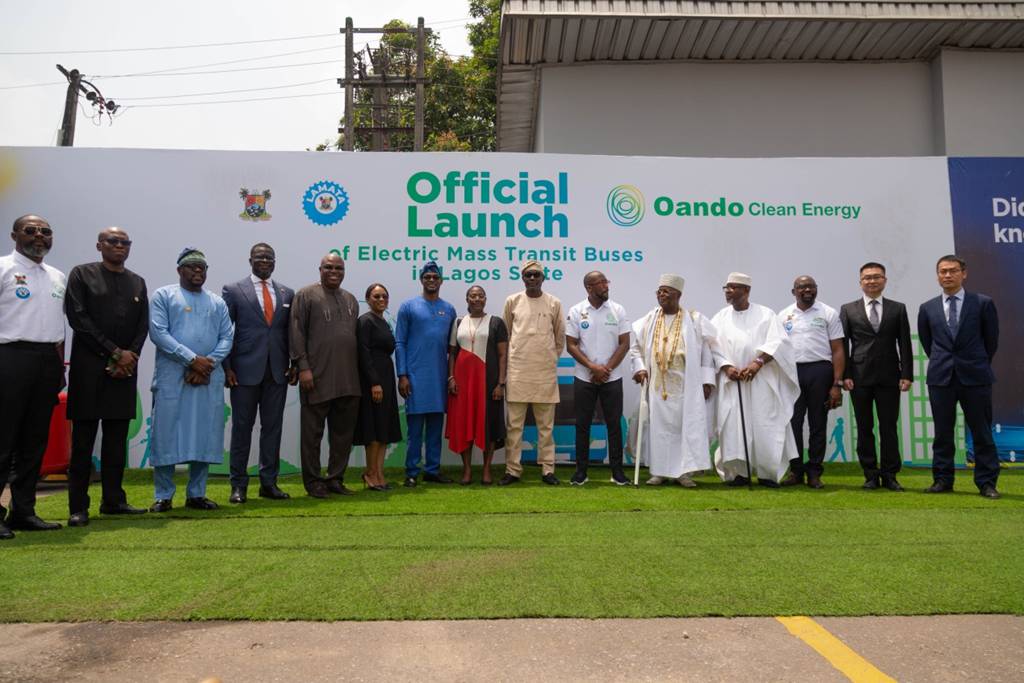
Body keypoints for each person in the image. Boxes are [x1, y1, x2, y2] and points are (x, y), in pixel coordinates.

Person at [64, 227, 149, 527]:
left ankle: (113, 500)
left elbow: (142, 327)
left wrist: (130, 356)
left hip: (123, 372)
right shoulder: (81, 275)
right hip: (89, 371)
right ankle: (78, 507)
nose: (119, 246)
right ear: (99, 245)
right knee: (84, 442)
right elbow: (78, 319)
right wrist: (114, 352)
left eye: (125, 242)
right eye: (113, 241)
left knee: (116, 442)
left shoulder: (137, 282)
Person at [148, 248, 234, 512]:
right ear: (179, 270)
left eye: (202, 268)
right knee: (166, 433)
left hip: (207, 377)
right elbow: (158, 333)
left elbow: (227, 337)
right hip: (173, 376)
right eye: (192, 267)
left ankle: (196, 494)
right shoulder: (164, 295)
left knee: (204, 434)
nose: (198, 271)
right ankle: (164, 494)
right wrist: (191, 359)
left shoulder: (217, 302)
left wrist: (206, 364)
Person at [0, 215, 66, 538]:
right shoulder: (2, 268)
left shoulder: (57, 276)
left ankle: (23, 511)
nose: (39, 236)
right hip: (9, 357)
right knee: (3, 439)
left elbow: (59, 329)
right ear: (14, 235)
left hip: (46, 361)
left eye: (45, 232)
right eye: (31, 231)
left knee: (33, 442)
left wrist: (59, 368)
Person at [918, 255, 1000, 499]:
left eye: (953, 271)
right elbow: (928, 343)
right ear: (937, 276)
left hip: (975, 377)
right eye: (942, 271)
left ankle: (986, 483)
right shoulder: (928, 307)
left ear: (964, 273)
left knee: (982, 432)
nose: (947, 275)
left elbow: (991, 341)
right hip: (941, 378)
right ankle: (943, 480)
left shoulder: (983, 303)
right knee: (943, 432)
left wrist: (975, 363)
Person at [222, 243, 295, 504]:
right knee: (242, 428)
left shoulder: (287, 293)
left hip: (277, 372)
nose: (265, 261)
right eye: (260, 257)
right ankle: (238, 485)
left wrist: (294, 364)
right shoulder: (233, 290)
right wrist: (227, 367)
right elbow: (224, 331)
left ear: (275, 262)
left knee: (272, 429)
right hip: (243, 372)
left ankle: (269, 483)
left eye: (269, 257)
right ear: (250, 259)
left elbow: (290, 333)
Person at [711, 272, 799, 487]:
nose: (728, 291)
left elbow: (778, 343)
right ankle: (738, 474)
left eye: (733, 287)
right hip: (732, 382)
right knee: (733, 426)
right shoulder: (720, 317)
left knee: (765, 424)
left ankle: (767, 474)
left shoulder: (766, 314)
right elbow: (712, 347)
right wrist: (726, 366)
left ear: (746, 290)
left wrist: (757, 362)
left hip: (760, 381)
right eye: (726, 287)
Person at [629, 274, 717, 487]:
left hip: (686, 385)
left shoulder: (694, 319)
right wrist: (640, 369)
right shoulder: (649, 319)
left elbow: (707, 351)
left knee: (684, 428)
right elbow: (636, 349)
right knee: (658, 429)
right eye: (659, 291)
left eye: (666, 291)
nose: (661, 295)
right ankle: (659, 472)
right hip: (658, 386)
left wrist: (706, 381)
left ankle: (683, 473)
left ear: (678, 295)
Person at [290, 253, 361, 498]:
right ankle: (313, 482)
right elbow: (297, 332)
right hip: (316, 377)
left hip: (349, 379)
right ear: (320, 269)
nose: (334, 271)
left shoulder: (351, 299)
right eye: (329, 267)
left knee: (342, 435)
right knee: (312, 436)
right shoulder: (306, 295)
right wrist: (303, 368)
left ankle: (335, 479)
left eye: (339, 268)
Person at [839, 262, 913, 491]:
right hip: (859, 378)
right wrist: (845, 375)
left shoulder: (898, 308)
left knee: (889, 427)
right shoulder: (848, 309)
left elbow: (905, 343)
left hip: (890, 377)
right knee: (864, 427)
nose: (872, 281)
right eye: (867, 278)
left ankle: (890, 475)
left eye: (876, 277)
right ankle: (870, 474)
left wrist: (907, 374)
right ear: (860, 282)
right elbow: (843, 344)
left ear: (885, 280)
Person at [499, 260, 566, 486]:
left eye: (537, 275)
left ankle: (548, 470)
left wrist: (549, 359)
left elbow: (559, 339)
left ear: (543, 278)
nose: (533, 279)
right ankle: (513, 470)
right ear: (523, 277)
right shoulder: (512, 301)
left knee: (546, 428)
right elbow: (505, 338)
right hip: (518, 372)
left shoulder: (554, 303)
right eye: (528, 275)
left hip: (544, 374)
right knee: (514, 426)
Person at [777, 275, 845, 489]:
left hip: (820, 371)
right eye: (802, 287)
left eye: (811, 286)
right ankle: (796, 471)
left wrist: (837, 384)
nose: (807, 290)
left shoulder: (828, 313)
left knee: (818, 424)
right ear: (793, 291)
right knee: (793, 423)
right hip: (793, 372)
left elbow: (838, 350)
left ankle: (814, 472)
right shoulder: (783, 315)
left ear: (817, 289)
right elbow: (778, 348)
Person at [395, 261, 457, 487]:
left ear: (441, 281)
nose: (431, 280)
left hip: (439, 378)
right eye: (427, 277)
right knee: (414, 430)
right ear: (421, 280)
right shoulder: (408, 307)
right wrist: (402, 374)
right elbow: (400, 342)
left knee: (434, 428)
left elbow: (452, 349)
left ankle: (432, 469)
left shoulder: (449, 309)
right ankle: (411, 471)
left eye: (435, 277)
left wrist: (451, 377)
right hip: (414, 377)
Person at [566, 271, 631, 486]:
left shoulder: (618, 309)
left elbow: (624, 344)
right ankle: (581, 472)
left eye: (606, 282)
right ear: (589, 288)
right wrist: (593, 367)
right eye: (601, 283)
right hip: (584, 378)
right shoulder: (576, 311)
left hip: (612, 378)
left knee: (613, 425)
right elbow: (571, 345)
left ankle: (617, 472)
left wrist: (606, 369)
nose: (606, 286)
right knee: (582, 425)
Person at [446, 285, 508, 485]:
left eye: (480, 295)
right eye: (472, 296)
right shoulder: (458, 322)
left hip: (488, 382)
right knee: (465, 425)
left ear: (485, 299)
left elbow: (502, 355)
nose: (476, 299)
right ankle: (467, 471)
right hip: (463, 383)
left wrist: (500, 383)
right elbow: (452, 354)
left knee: (487, 424)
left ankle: (487, 470)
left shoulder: (496, 322)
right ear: (467, 300)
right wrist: (451, 378)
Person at [354, 283, 402, 491]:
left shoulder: (383, 322)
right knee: (372, 429)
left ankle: (380, 473)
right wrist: (374, 382)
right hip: (372, 381)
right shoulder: (365, 322)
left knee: (383, 429)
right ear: (368, 299)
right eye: (376, 297)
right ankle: (370, 473)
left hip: (386, 378)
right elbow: (363, 354)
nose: (381, 300)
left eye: (384, 296)